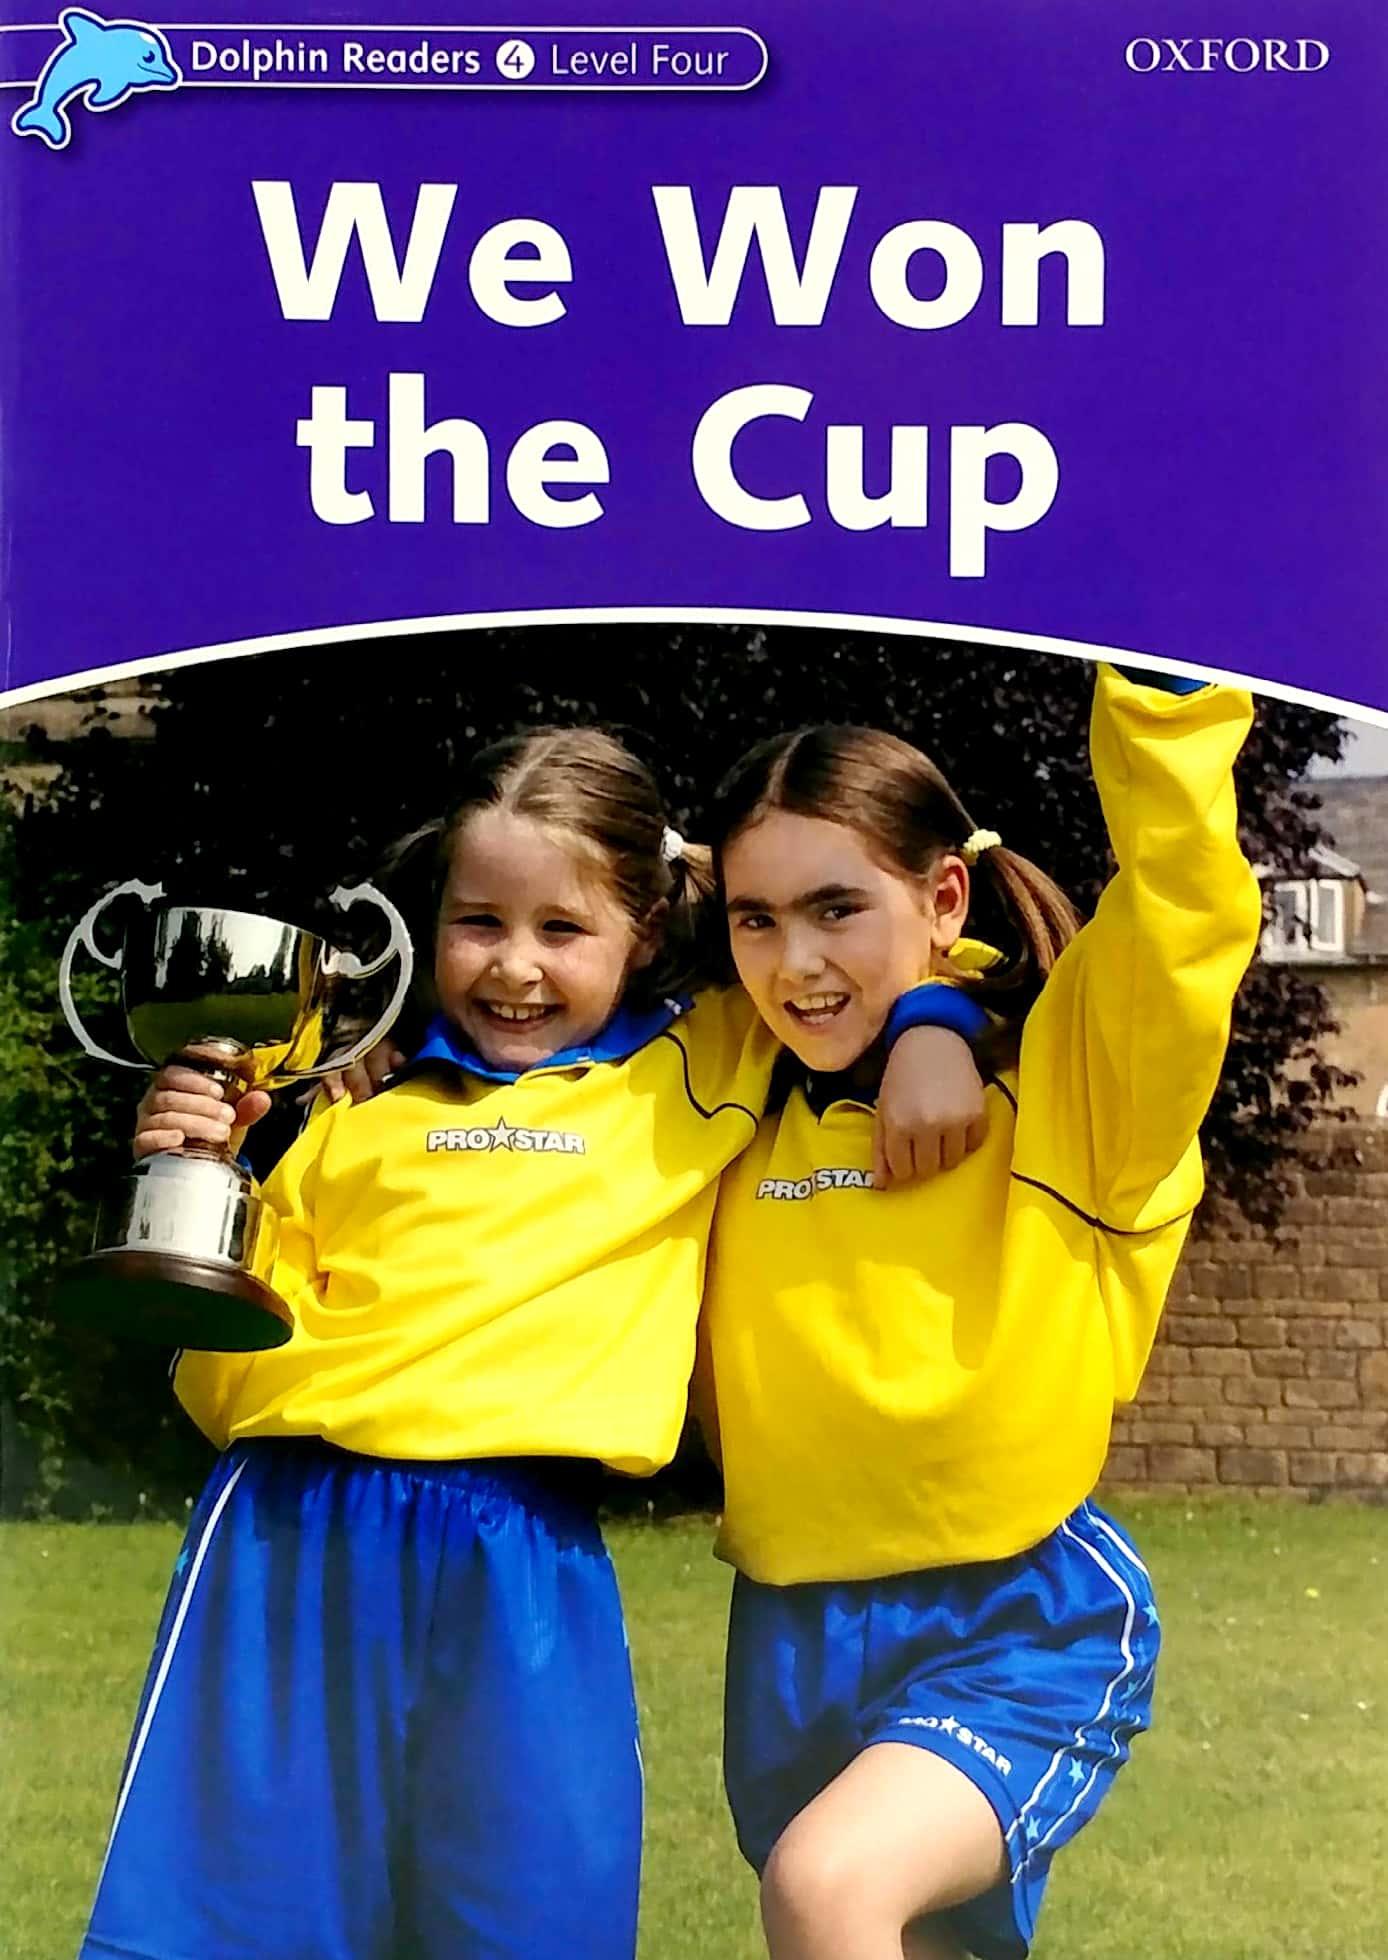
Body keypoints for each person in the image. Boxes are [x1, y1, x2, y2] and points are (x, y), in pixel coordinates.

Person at [83, 725, 986, 1960]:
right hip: (294, 1535)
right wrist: (201, 1168)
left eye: (562, 928)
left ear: (646, 931)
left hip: (531, 1556)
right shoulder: (354, 1111)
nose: (515, 965)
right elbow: (219, 1359)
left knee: (533, 1923)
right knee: (244, 1929)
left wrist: (934, 1022)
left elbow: (883, 929)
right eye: (478, 923)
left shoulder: (702, 1062)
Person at [697, 665, 1263, 1960]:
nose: (796, 962)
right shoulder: (711, 1100)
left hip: (1019, 1618)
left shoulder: (1072, 1092)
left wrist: (1168, 690)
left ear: (944, 897)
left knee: (826, 1889)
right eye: (754, 919)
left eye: (837, 907)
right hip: (787, 1628)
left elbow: (1179, 919)